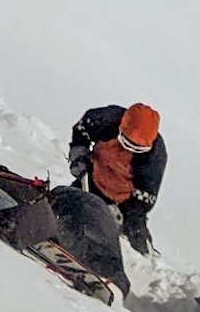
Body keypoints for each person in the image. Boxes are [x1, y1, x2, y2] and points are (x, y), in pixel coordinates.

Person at [68, 103, 166, 256]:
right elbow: (81, 130)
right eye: (126, 142)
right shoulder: (105, 119)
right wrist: (79, 155)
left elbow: (145, 194)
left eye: (136, 149)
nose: (128, 150)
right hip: (91, 180)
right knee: (67, 207)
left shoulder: (154, 158)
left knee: (127, 237)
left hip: (122, 204)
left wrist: (133, 218)